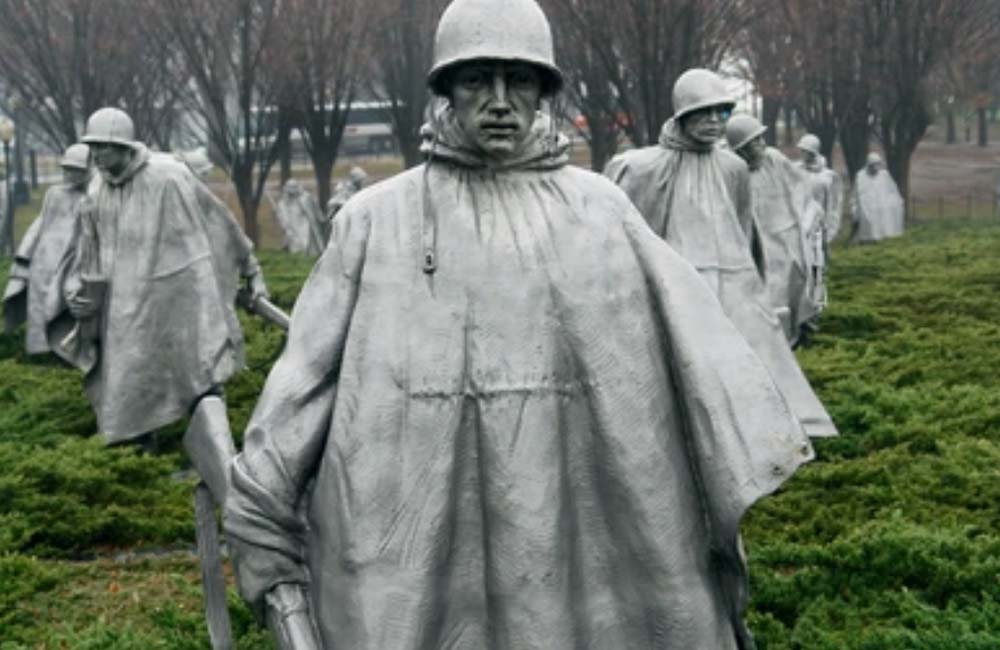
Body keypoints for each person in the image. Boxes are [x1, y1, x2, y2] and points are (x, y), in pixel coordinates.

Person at [224, 2, 816, 649]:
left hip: (583, 542)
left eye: (522, 81)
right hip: (420, 551)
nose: (501, 102)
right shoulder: (375, 221)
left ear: (545, 93)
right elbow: (303, 383)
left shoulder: (601, 212)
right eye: (478, 79)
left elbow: (689, 382)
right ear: (447, 88)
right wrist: (261, 516)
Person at [54, 107, 269, 510]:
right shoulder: (96, 191)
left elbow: (218, 222)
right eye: (93, 147)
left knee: (195, 372)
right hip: (122, 306)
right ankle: (141, 467)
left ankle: (213, 456)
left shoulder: (169, 175)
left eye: (104, 147)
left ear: (124, 145)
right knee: (128, 379)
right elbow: (87, 251)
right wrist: (77, 292)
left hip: (178, 294)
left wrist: (250, 268)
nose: (97, 156)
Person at [605, 68, 836, 438]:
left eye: (722, 113)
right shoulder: (643, 167)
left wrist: (752, 286)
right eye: (704, 112)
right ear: (683, 114)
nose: (714, 122)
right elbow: (621, 239)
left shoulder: (732, 167)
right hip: (676, 286)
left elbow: (744, 231)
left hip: (732, 284)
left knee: (745, 374)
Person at [726, 115, 819, 346]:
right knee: (772, 291)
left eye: (761, 139)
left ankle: (802, 332)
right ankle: (781, 343)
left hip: (789, 234)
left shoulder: (774, 159)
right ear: (741, 149)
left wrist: (803, 222)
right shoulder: (733, 170)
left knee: (798, 284)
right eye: (754, 142)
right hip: (761, 242)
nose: (762, 145)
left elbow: (800, 186)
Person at [3, 144, 91, 352]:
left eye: (76, 169)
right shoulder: (54, 194)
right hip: (44, 258)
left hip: (73, 259)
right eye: (67, 169)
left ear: (88, 169)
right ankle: (39, 348)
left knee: (66, 303)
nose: (70, 174)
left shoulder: (95, 197)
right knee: (39, 303)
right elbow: (39, 224)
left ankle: (67, 350)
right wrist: (24, 256)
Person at [795, 133, 842, 313]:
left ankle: (817, 304)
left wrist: (829, 231)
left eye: (806, 151)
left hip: (817, 228)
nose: (803, 154)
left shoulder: (828, 177)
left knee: (816, 266)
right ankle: (800, 303)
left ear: (814, 152)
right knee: (799, 264)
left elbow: (834, 206)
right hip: (799, 226)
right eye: (802, 150)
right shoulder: (795, 170)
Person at [851, 152, 904, 244]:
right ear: (869, 165)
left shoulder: (884, 175)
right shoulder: (861, 176)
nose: (875, 168)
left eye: (877, 164)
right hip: (866, 210)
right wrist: (856, 210)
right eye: (873, 165)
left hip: (881, 209)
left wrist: (895, 202)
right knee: (869, 232)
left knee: (881, 231)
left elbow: (891, 190)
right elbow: (856, 194)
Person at [274, 179, 325, 255]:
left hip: (304, 224)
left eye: (294, 187)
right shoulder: (283, 203)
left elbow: (314, 208)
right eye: (290, 188)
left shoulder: (305, 198)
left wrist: (320, 218)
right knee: (294, 245)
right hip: (292, 226)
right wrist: (286, 228)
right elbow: (282, 217)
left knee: (305, 242)